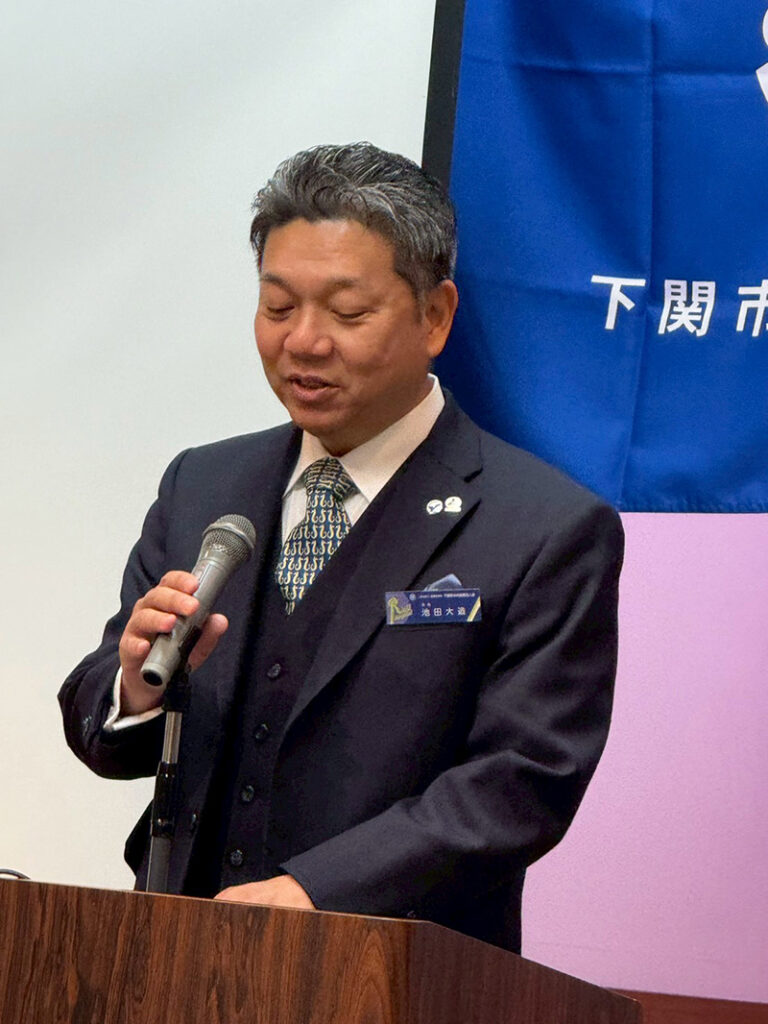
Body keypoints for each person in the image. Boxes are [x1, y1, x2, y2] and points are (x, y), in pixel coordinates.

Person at [59, 142, 623, 953]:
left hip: (398, 971)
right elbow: (104, 728)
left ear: (435, 316)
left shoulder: (544, 527)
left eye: (348, 313)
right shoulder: (204, 485)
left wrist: (318, 892)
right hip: (179, 955)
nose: (304, 342)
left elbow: (521, 781)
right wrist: (131, 688)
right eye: (278, 307)